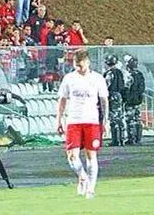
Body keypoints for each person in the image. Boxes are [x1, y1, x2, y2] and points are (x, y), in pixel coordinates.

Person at [57, 50, 108, 199]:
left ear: (87, 62)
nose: (78, 68)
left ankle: (91, 188)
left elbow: (104, 101)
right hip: (73, 120)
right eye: (76, 66)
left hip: (91, 120)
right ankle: (82, 176)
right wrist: (58, 119)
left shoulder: (97, 79)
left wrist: (105, 121)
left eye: (80, 65)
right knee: (72, 156)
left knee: (91, 154)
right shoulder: (69, 78)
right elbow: (62, 100)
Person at [102, 55, 127, 147]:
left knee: (113, 119)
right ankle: (122, 139)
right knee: (120, 118)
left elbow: (106, 85)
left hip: (112, 96)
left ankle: (116, 140)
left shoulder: (109, 73)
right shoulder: (119, 72)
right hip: (119, 95)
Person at [124, 56, 145, 145]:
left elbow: (127, 87)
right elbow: (142, 87)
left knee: (130, 119)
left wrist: (125, 97)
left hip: (130, 100)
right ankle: (138, 138)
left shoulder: (129, 75)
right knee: (138, 119)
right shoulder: (140, 74)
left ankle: (131, 139)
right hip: (138, 99)